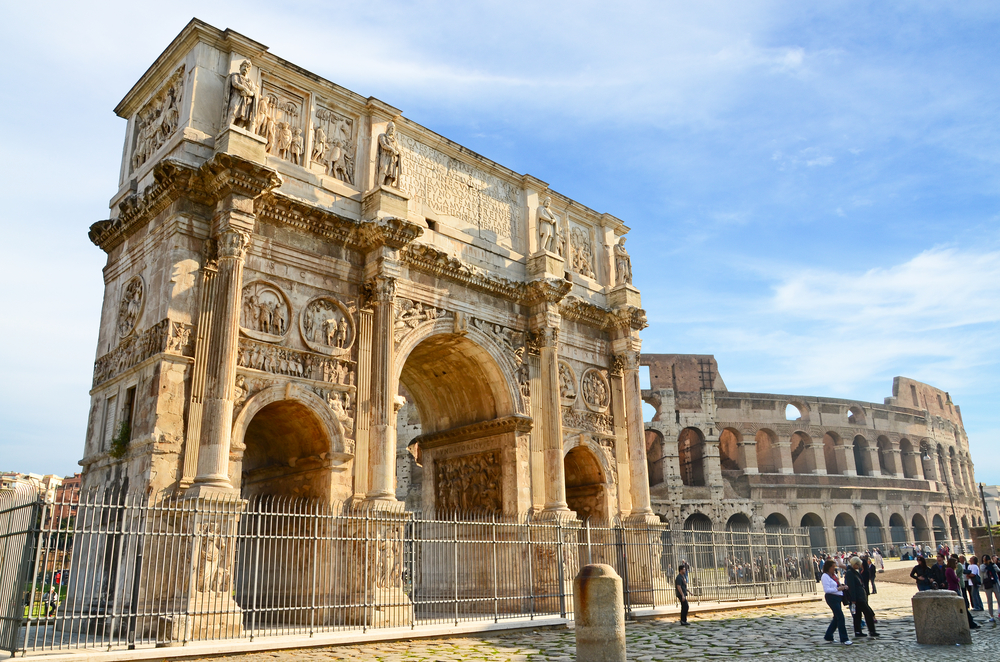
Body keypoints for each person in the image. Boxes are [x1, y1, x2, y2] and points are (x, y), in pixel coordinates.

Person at [845, 556, 878, 637]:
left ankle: (858, 631)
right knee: (867, 613)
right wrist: (853, 599)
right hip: (857, 598)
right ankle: (871, 631)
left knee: (858, 615)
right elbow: (851, 587)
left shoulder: (855, 572)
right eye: (858, 564)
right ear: (854, 564)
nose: (859, 566)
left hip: (860, 596)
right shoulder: (850, 573)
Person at [821, 559, 852, 644]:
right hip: (831, 598)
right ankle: (844, 638)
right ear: (828, 567)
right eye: (833, 567)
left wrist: (842, 586)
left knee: (836, 618)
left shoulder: (834, 575)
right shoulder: (825, 576)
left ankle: (828, 635)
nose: (834, 568)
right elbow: (827, 590)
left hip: (839, 597)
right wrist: (838, 589)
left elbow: (837, 583)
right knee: (840, 617)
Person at [947, 557, 981, 629]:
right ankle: (971, 623)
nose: (957, 565)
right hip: (954, 589)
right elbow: (956, 579)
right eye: (956, 563)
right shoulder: (950, 570)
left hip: (954, 588)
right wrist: (958, 578)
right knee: (963, 606)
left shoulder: (950, 570)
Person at [980, 554, 1000, 623]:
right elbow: (982, 570)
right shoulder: (983, 566)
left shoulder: (993, 565)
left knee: (999, 598)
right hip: (987, 584)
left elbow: (998, 570)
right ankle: (991, 615)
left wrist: (992, 564)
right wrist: (986, 564)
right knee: (989, 600)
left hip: (994, 583)